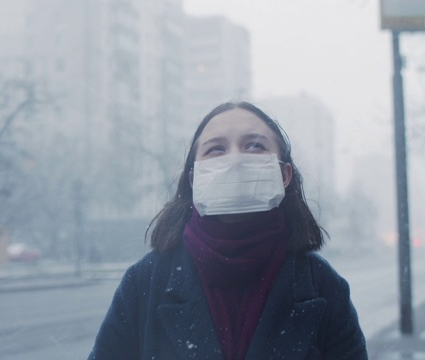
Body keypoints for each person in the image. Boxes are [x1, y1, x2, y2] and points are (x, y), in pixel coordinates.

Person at [88, 101, 367, 359]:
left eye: (255, 146)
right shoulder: (144, 283)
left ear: (284, 175)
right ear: (194, 179)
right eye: (216, 149)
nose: (235, 160)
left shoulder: (325, 286)